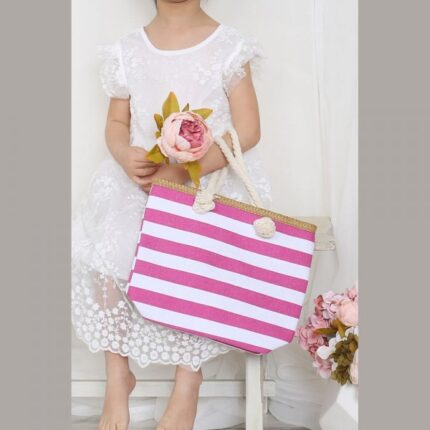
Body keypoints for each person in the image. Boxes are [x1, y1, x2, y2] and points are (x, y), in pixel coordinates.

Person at [72, 0, 272, 428]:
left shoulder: (229, 46)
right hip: (143, 182)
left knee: (197, 258)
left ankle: (188, 380)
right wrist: (124, 153)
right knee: (108, 242)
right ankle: (117, 374)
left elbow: (248, 129)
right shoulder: (128, 50)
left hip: (205, 182)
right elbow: (116, 123)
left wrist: (184, 170)